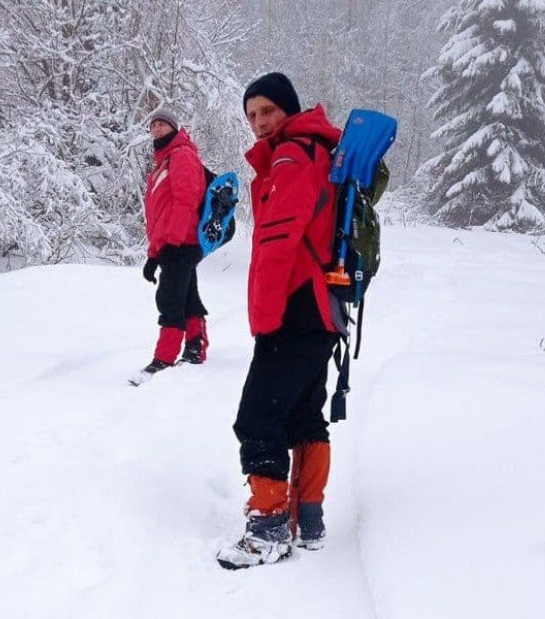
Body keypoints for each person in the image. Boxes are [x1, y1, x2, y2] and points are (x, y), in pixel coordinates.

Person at [216, 73, 343, 570]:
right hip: (321, 310)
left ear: (288, 109)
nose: (260, 122)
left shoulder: (291, 157)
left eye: (268, 110)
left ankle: (268, 528)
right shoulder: (315, 150)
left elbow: (276, 243)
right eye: (251, 115)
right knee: (304, 415)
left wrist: (264, 318)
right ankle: (308, 520)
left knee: (258, 417)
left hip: (293, 307)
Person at [136, 108, 210, 380]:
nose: (156, 128)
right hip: (173, 243)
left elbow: (186, 200)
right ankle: (195, 346)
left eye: (163, 124)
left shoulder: (182, 156)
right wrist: (153, 255)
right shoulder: (162, 164)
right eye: (153, 124)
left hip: (182, 242)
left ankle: (164, 358)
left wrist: (174, 242)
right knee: (187, 296)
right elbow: (159, 217)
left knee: (169, 298)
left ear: (175, 129)